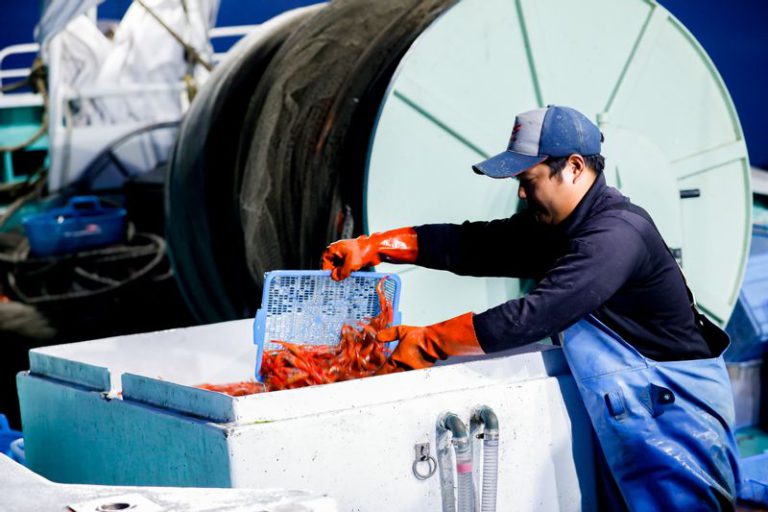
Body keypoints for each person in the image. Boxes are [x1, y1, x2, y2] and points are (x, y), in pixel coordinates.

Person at [322, 105, 742, 510]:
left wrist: (429, 342)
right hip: (632, 415)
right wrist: (376, 246)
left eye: (530, 178)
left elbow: (536, 314)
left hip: (675, 421)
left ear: (575, 167)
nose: (521, 192)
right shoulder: (560, 228)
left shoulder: (615, 235)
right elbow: (475, 246)